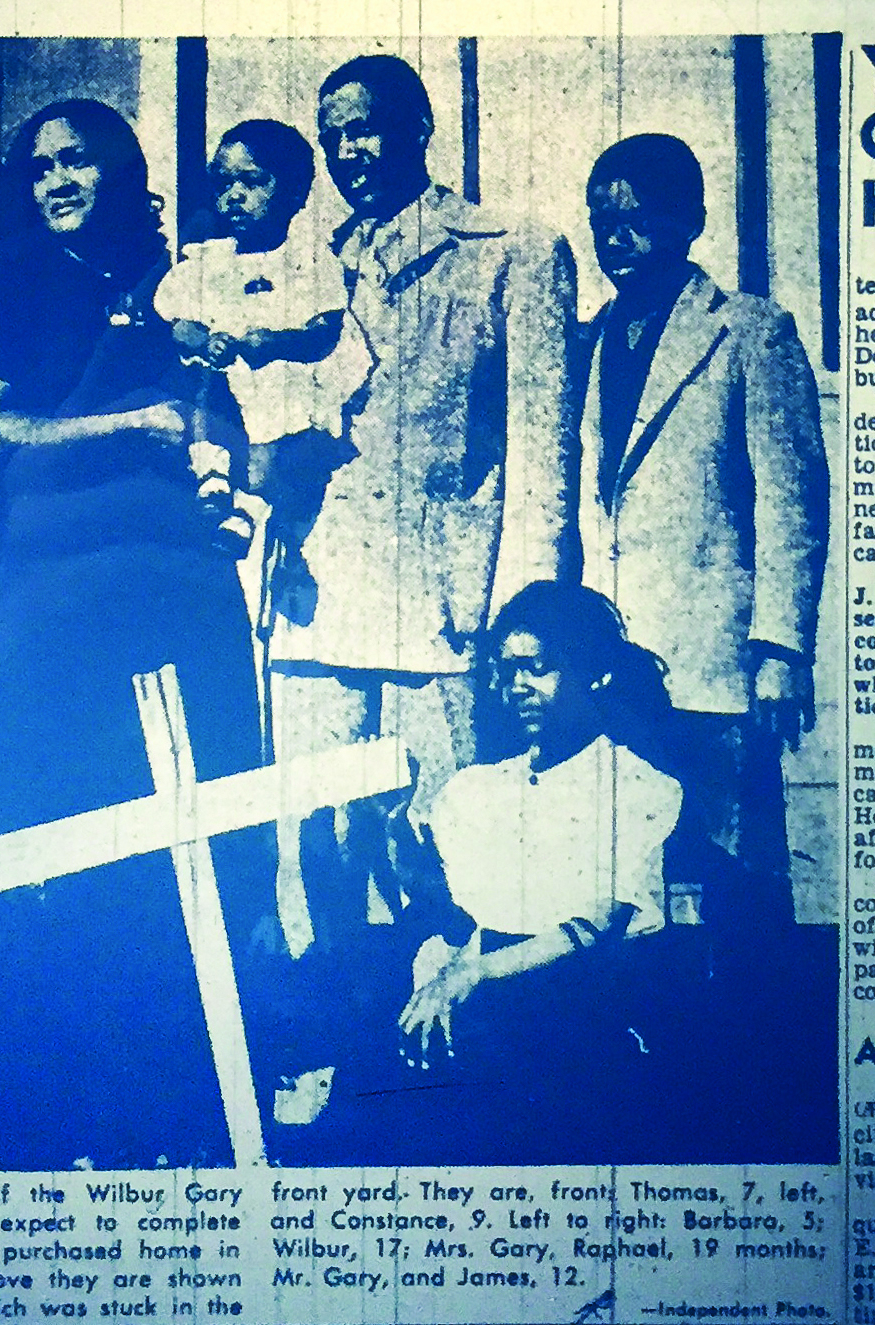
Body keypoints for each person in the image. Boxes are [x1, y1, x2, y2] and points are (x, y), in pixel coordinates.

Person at [0, 99, 273, 1171]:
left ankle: (178, 1102)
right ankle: (52, 1110)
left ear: (124, 171)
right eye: (40, 166)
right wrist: (137, 424)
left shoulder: (174, 280)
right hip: (57, 594)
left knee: (187, 839)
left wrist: (220, 471)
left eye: (79, 161)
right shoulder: (1, 280)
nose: (58, 180)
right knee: (56, 838)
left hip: (181, 591)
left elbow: (213, 404)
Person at [259, 54, 579, 1062]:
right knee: (313, 836)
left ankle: (454, 1059)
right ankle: (335, 1045)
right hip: (317, 600)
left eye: (366, 128)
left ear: (418, 127)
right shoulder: (307, 267)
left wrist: (520, 607)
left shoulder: (512, 250)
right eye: (332, 135)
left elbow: (541, 449)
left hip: (446, 614)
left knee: (445, 840)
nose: (350, 153)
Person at [330, 581, 682, 1164]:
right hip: (479, 1005)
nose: (518, 686)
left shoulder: (637, 786)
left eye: (538, 668)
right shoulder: (477, 789)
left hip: (575, 1012)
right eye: (506, 670)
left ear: (593, 673)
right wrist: (388, 827)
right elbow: (451, 914)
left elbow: (594, 927)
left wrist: (473, 976)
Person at [578, 134, 829, 933]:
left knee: (735, 873)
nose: (616, 239)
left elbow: (793, 500)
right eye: (600, 221)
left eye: (637, 219)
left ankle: (756, 1046)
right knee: (628, 878)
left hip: (714, 669)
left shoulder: (752, 329)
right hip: (615, 667)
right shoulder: (590, 338)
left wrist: (782, 651)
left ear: (690, 219)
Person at [153, 118, 371, 631]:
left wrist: (271, 341)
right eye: (225, 184)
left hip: (284, 395)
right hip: (225, 397)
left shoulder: (310, 263)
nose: (234, 196)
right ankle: (222, 495)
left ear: (294, 193)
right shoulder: (204, 264)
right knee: (214, 420)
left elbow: (325, 328)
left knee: (287, 469)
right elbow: (174, 319)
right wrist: (202, 339)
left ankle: (266, 532)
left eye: (252, 183)